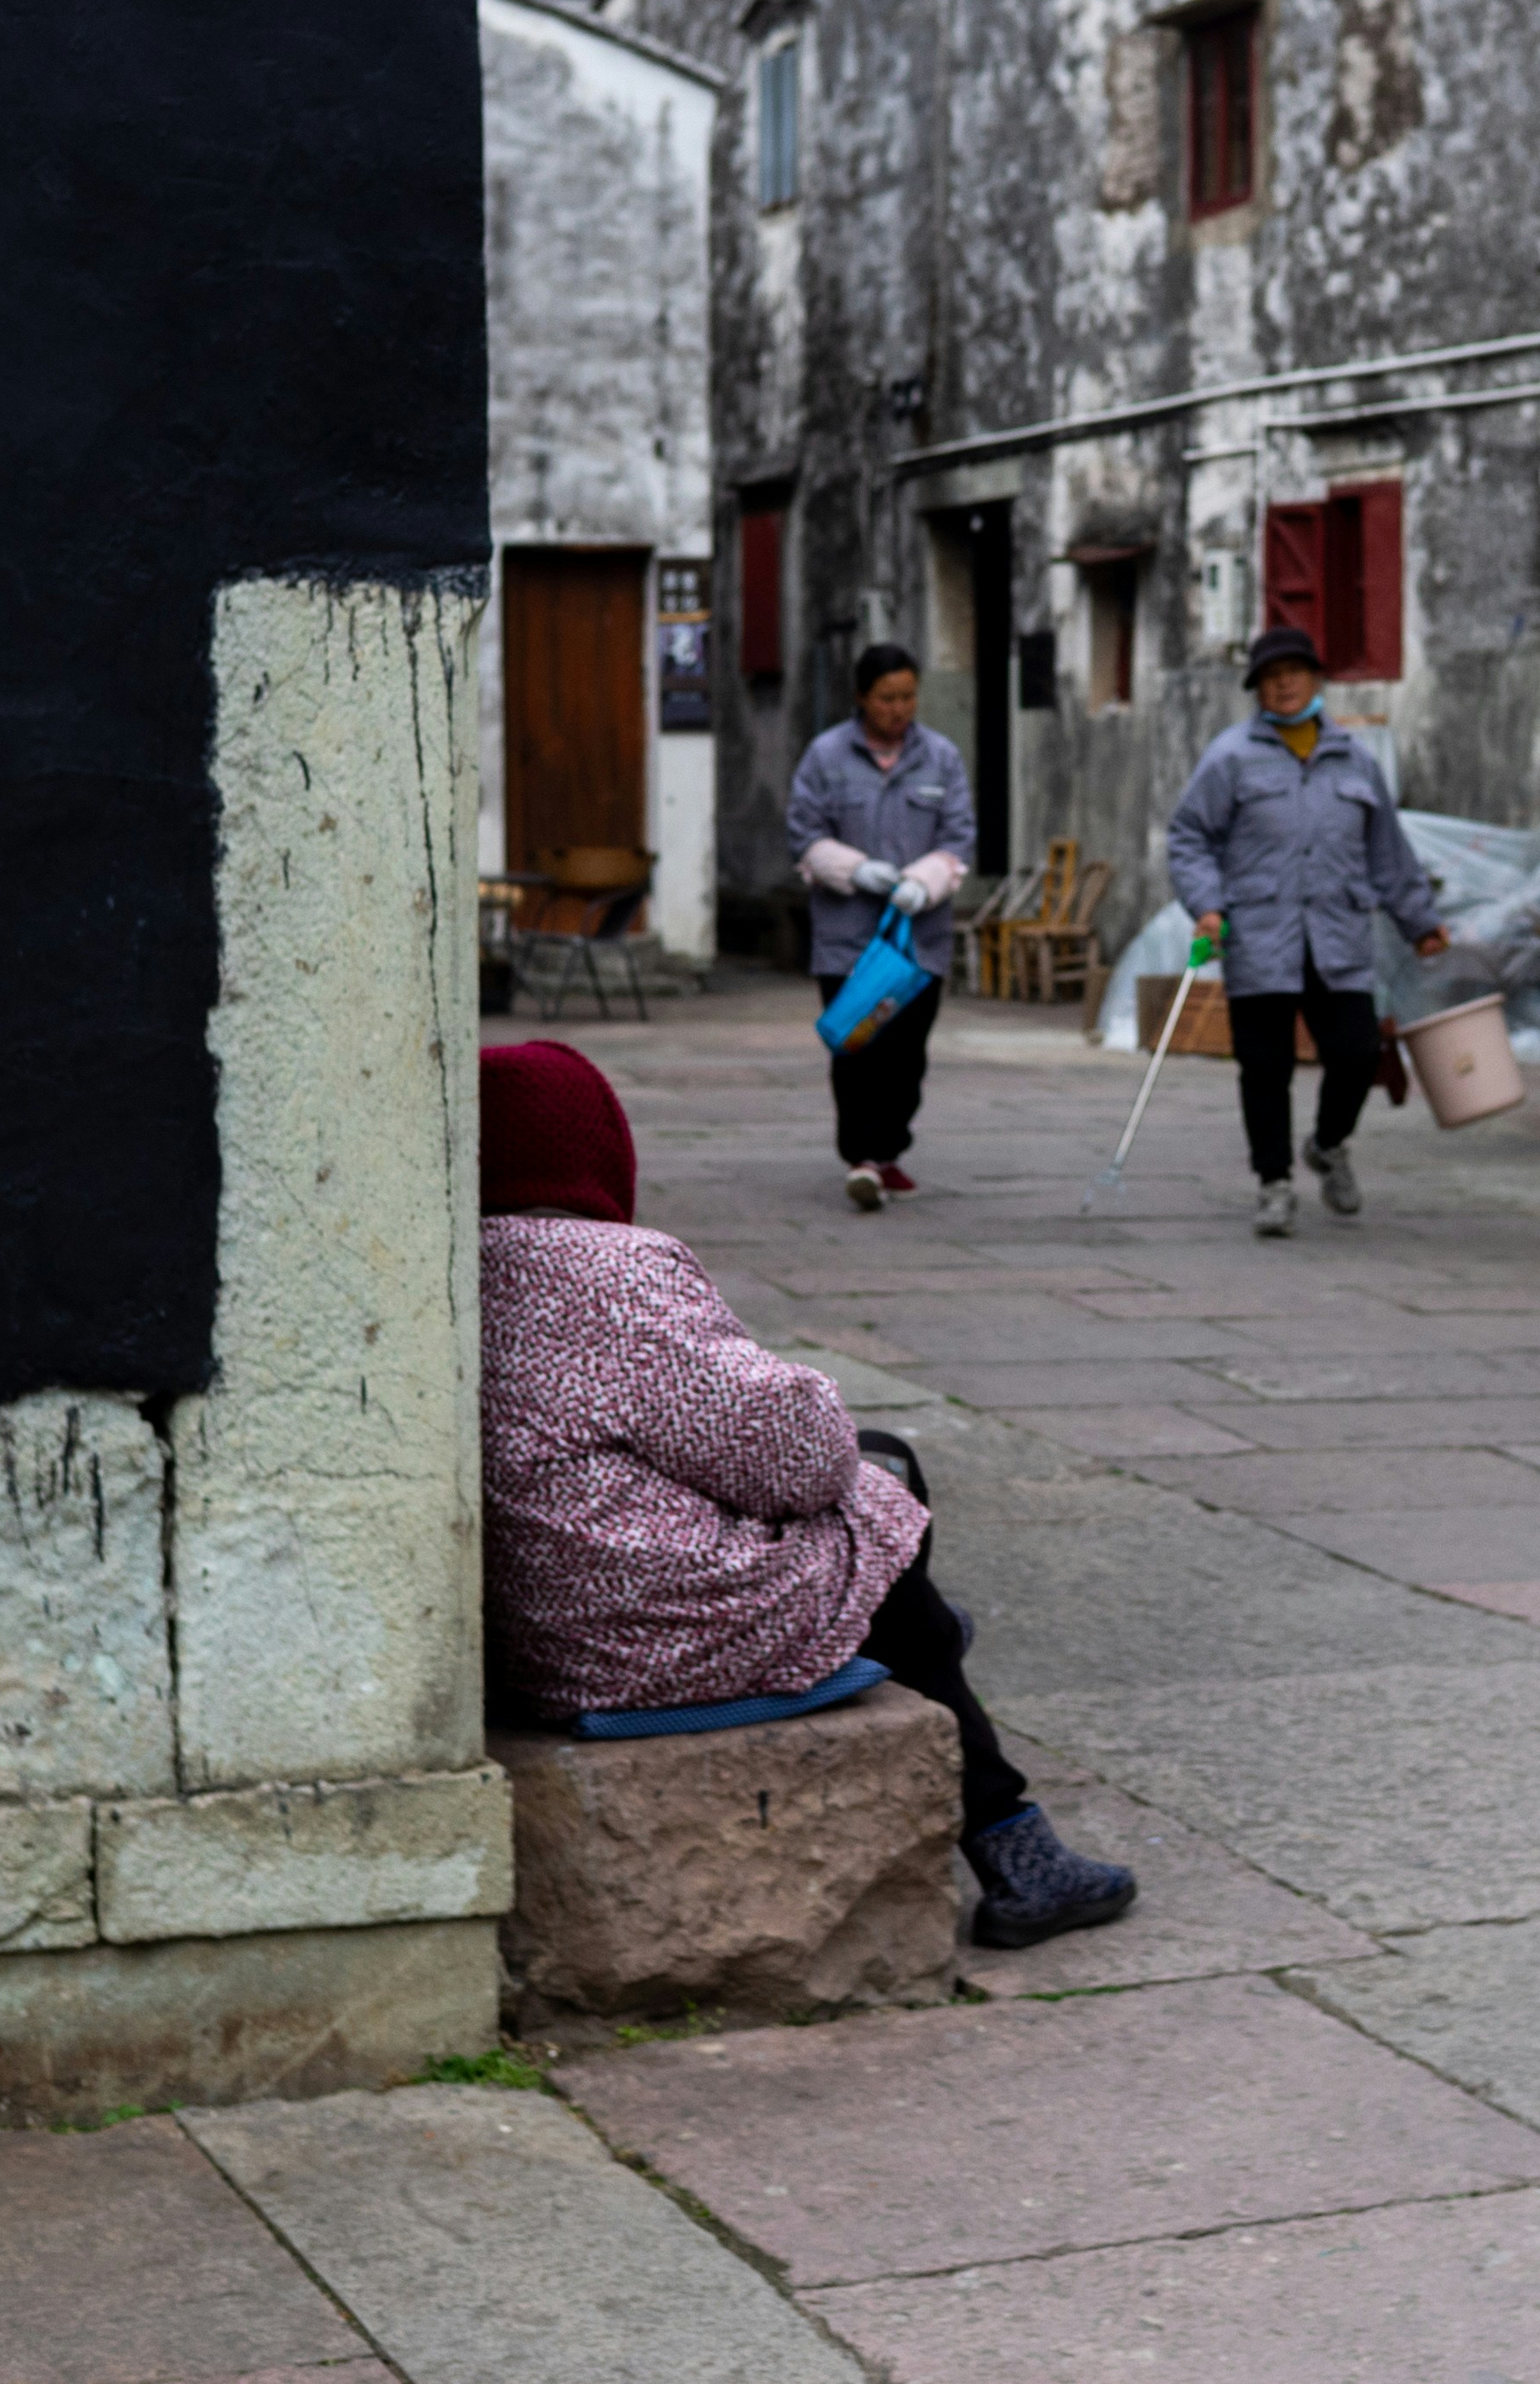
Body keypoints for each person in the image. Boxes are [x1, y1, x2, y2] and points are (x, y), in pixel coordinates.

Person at [472, 1040, 1135, 1945]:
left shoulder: (455, 1264)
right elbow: (798, 1458)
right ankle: (1014, 1843)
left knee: (871, 1501)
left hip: (538, 1641)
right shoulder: (612, 1272)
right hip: (653, 1637)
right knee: (872, 1485)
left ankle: (917, 1646)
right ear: (593, 1148)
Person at [1164, 623, 1448, 1237]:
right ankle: (1274, 1183)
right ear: (1258, 689)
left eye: (1294, 672)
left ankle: (1327, 1143)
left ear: (1318, 679)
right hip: (1259, 934)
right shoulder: (1230, 757)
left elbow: (1387, 852)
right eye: (1270, 677)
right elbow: (1190, 837)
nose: (1284, 683)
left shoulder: (1354, 761)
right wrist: (1206, 905)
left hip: (1338, 936)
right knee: (1264, 1067)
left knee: (1357, 1051)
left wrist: (1419, 921)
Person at [785, 642, 977, 1211]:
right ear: (862, 699)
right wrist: (856, 870)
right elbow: (804, 835)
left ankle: (887, 1150)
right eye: (887, 698)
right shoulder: (825, 757)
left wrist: (926, 879)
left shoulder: (940, 758)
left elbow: (959, 837)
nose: (899, 708)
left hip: (919, 941)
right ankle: (863, 1157)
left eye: (908, 696)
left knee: (907, 1054)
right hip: (849, 940)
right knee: (857, 1048)